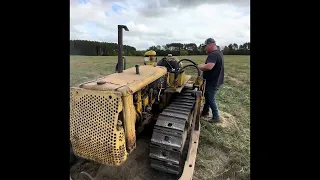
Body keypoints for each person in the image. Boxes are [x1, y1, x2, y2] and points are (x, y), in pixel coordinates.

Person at [198, 38, 224, 123]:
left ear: (211, 45)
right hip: (216, 80)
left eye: (206, 46)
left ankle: (216, 117)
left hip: (213, 82)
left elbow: (209, 66)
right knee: (208, 97)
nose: (205, 48)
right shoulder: (219, 53)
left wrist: (200, 66)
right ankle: (205, 112)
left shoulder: (213, 54)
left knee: (210, 99)